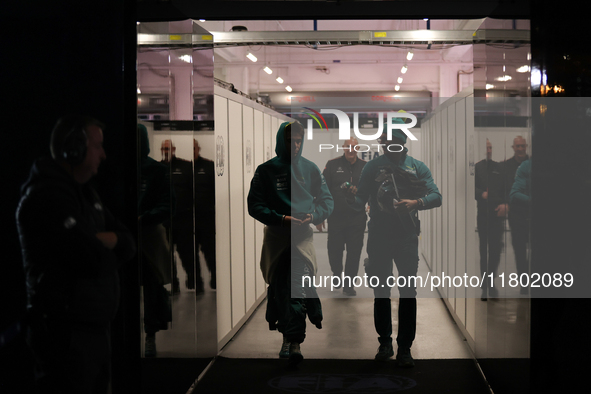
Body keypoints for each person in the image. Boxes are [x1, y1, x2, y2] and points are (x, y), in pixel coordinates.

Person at [16, 115, 135, 393]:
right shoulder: (46, 197)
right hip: (64, 336)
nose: (103, 155)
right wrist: (106, 245)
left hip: (92, 331)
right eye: (97, 146)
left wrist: (108, 241)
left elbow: (128, 244)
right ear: (74, 149)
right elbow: (93, 259)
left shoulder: (85, 194)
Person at [344, 124, 441, 368]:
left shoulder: (417, 167)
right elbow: (360, 199)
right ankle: (385, 343)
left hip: (406, 235)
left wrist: (416, 202)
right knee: (381, 290)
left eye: (392, 142)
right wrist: (352, 196)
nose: (388, 146)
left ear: (401, 143)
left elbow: (436, 196)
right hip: (379, 235)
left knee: (408, 292)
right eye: (385, 142)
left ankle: (405, 348)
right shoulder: (373, 167)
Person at [248, 121, 333, 366]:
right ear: (281, 141)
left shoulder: (310, 169)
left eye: (298, 140)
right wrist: (281, 219)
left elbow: (326, 200)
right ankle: (288, 335)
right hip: (277, 241)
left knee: (298, 288)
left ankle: (293, 340)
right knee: (280, 289)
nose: (295, 145)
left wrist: (314, 216)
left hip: (302, 240)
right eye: (290, 141)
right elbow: (255, 205)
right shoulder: (266, 171)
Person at [138, 125, 173, 357]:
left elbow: (168, 204)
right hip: (122, 237)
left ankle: (150, 335)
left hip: (149, 237)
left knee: (151, 287)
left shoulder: (156, 171)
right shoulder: (114, 168)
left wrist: (144, 218)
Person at [317, 137, 367, 296]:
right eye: (347, 146)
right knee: (334, 250)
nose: (351, 149)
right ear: (343, 148)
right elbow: (322, 189)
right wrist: (320, 215)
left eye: (354, 147)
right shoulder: (332, 165)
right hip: (336, 217)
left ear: (358, 148)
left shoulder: (365, 167)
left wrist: (372, 203)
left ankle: (349, 284)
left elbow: (370, 189)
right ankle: (337, 273)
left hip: (357, 218)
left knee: (355, 252)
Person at [161, 139, 201, 294]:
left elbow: (193, 192)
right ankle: (174, 284)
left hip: (183, 219)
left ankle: (194, 281)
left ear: (173, 149)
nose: (165, 151)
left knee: (187, 253)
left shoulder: (185, 167)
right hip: (166, 220)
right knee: (168, 255)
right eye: (163, 148)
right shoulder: (159, 168)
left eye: (167, 148)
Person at [474, 139, 507, 300]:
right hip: (483, 215)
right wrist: (481, 194)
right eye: (487, 147)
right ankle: (486, 285)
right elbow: (471, 188)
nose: (489, 150)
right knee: (484, 251)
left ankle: (490, 280)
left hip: (496, 215)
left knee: (495, 251)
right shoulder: (478, 168)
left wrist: (504, 204)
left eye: (491, 147)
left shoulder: (498, 167)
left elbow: (505, 188)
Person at [503, 137, 530, 292]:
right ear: (513, 147)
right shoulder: (507, 166)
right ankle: (524, 284)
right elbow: (506, 189)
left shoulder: (534, 164)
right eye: (517, 146)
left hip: (532, 214)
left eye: (522, 146)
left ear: (526, 147)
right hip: (516, 214)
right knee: (520, 250)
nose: (520, 148)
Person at [192, 139, 217, 290]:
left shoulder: (209, 166)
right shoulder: (186, 167)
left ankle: (214, 279)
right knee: (190, 253)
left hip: (206, 218)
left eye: (193, 148)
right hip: (187, 219)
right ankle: (197, 283)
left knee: (209, 251)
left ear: (198, 148)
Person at [509, 158, 531, 294]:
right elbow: (514, 194)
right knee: (521, 251)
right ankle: (524, 283)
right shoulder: (526, 166)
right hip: (521, 217)